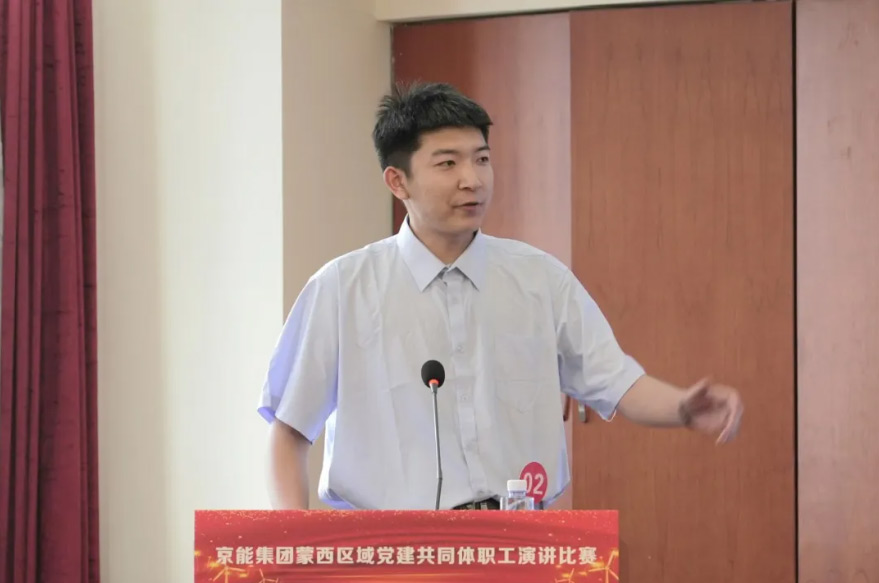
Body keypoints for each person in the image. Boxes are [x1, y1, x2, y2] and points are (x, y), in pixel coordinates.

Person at [258, 82, 743, 511]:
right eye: (448, 163)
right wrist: (295, 550)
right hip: (391, 553)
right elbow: (289, 430)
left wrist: (681, 408)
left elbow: (615, 381)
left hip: (515, 543)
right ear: (397, 180)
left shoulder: (538, 279)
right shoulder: (343, 288)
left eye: (482, 159)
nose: (472, 179)